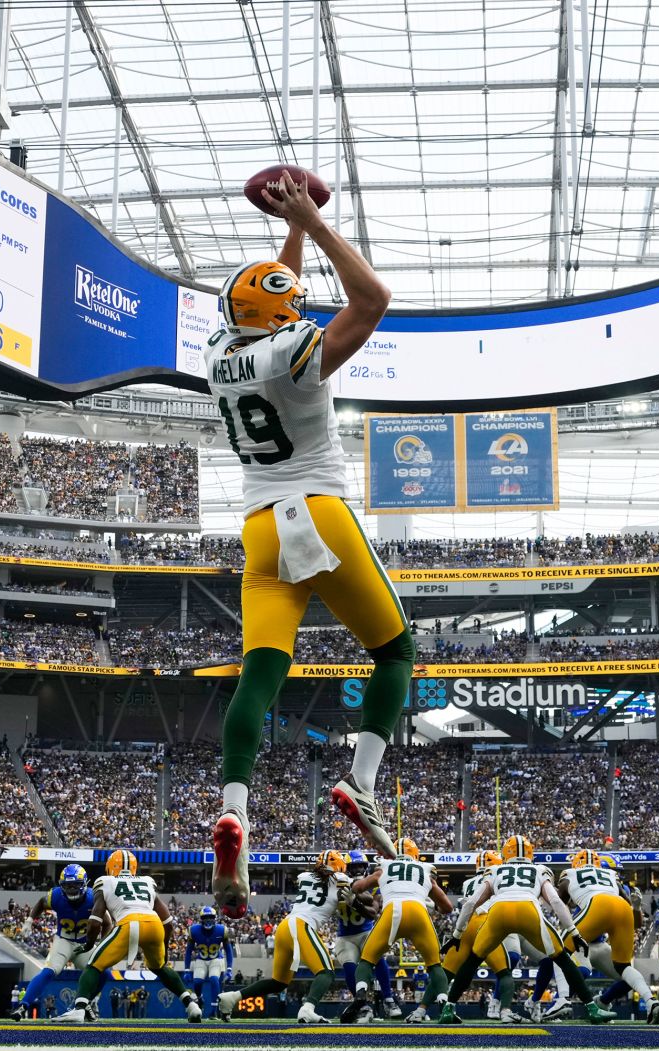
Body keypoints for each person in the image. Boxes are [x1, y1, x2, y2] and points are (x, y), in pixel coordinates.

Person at [202, 173, 414, 916]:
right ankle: (361, 779)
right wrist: (315, 226)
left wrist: (286, 239)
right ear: (283, 314)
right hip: (318, 509)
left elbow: (270, 296)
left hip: (260, 529)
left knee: (257, 678)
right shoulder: (293, 350)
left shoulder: (220, 354)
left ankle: (234, 809)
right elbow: (373, 301)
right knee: (393, 652)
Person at [437, 836, 615, 1024]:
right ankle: (592, 1009)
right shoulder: (538, 870)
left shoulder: (495, 870)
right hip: (528, 910)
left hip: (499, 912)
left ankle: (449, 1008)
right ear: (530, 853)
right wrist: (574, 932)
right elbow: (555, 901)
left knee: (473, 960)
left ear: (506, 853)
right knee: (562, 958)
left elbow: (471, 903)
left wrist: (457, 934)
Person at [53, 851, 200, 1023]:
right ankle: (191, 1005)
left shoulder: (104, 881)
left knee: (93, 965)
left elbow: (95, 921)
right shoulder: (147, 881)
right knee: (160, 967)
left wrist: (89, 944)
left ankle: (78, 1010)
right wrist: (164, 948)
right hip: (154, 924)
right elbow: (167, 922)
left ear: (109, 867)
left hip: (128, 924)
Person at [218, 850, 347, 1024]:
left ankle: (232, 997)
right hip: (302, 925)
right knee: (326, 972)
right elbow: (358, 887)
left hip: (285, 927)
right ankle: (308, 1009)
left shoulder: (305, 876)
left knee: (279, 982)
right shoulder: (341, 881)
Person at [339, 838, 453, 1024]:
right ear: (415, 855)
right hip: (418, 911)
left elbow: (358, 887)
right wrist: (431, 904)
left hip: (392, 912)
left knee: (367, 960)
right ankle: (444, 1004)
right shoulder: (425, 870)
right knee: (434, 965)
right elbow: (447, 907)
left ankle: (360, 994)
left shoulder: (383, 867)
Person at [555, 850, 656, 1021]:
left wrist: (637, 908)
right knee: (581, 971)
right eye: (616, 871)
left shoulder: (615, 887)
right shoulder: (600, 884)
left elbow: (636, 924)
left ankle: (602, 1002)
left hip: (599, 943)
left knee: (627, 978)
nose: (619, 876)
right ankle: (559, 1002)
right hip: (582, 942)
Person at [11, 864, 100, 1020]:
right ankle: (22, 1006)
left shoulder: (94, 898)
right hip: (63, 941)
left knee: (102, 972)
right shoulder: (56, 896)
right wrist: (30, 920)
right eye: (68, 885)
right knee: (49, 971)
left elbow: (105, 922)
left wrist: (103, 942)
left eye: (76, 885)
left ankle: (87, 1003)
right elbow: (40, 903)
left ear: (84, 884)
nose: (71, 889)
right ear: (62, 885)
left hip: (84, 944)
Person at [331, 852, 401, 1020]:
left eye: (361, 866)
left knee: (378, 958)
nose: (358, 870)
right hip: (345, 936)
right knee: (349, 970)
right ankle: (363, 1006)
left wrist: (354, 900)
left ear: (366, 867)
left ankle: (389, 999)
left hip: (365, 931)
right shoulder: (335, 884)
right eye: (354, 867)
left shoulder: (373, 885)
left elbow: (373, 912)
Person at [440, 851, 508, 1021]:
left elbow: (468, 904)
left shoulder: (467, 882)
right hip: (487, 922)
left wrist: (457, 932)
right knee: (505, 971)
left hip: (467, 924)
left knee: (448, 972)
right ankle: (505, 1011)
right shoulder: (498, 876)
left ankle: (424, 1009)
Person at [184, 906, 233, 1019]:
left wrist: (229, 968)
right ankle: (200, 999)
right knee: (197, 982)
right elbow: (188, 951)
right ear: (201, 919)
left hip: (216, 959)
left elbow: (228, 950)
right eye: (205, 917)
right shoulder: (194, 930)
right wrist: (186, 969)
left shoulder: (221, 930)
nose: (208, 919)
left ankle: (214, 1011)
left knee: (214, 979)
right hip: (201, 959)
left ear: (215, 918)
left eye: (210, 917)